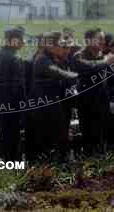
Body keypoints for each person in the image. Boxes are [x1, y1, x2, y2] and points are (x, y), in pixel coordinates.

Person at [27, 32, 79, 160]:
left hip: (55, 104)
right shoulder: (42, 59)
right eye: (60, 44)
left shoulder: (56, 58)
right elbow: (56, 72)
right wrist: (72, 75)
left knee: (58, 136)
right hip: (43, 106)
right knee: (47, 138)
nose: (63, 46)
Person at [72, 28, 114, 155]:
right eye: (99, 39)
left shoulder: (102, 55)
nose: (103, 42)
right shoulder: (79, 55)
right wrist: (105, 61)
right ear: (88, 40)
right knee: (89, 135)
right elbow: (88, 66)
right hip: (87, 102)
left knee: (102, 134)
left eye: (103, 39)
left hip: (103, 101)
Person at [0, 26, 26, 161]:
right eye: (21, 39)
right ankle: (11, 168)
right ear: (14, 40)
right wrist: (24, 108)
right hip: (12, 107)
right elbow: (18, 88)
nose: (23, 42)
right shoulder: (15, 58)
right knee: (12, 140)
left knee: (2, 135)